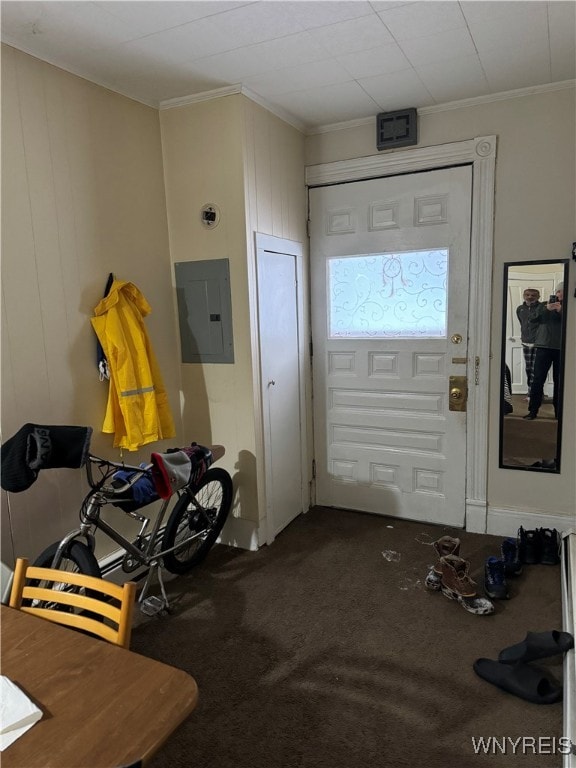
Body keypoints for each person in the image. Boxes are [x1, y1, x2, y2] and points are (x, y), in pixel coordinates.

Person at [523, 283, 564, 420]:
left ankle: (559, 413)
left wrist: (561, 311)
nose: (559, 294)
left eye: (562, 291)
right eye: (558, 291)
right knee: (537, 380)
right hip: (542, 347)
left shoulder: (570, 306)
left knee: (560, 381)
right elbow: (531, 319)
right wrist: (546, 309)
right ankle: (533, 411)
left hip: (562, 348)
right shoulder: (543, 305)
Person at [516, 288, 542, 398]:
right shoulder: (520, 309)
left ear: (538, 297)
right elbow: (521, 323)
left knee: (536, 370)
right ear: (523, 295)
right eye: (527, 295)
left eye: (533, 295)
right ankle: (530, 392)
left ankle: (536, 394)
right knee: (528, 368)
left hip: (538, 343)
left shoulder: (542, 308)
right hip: (525, 342)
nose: (530, 297)